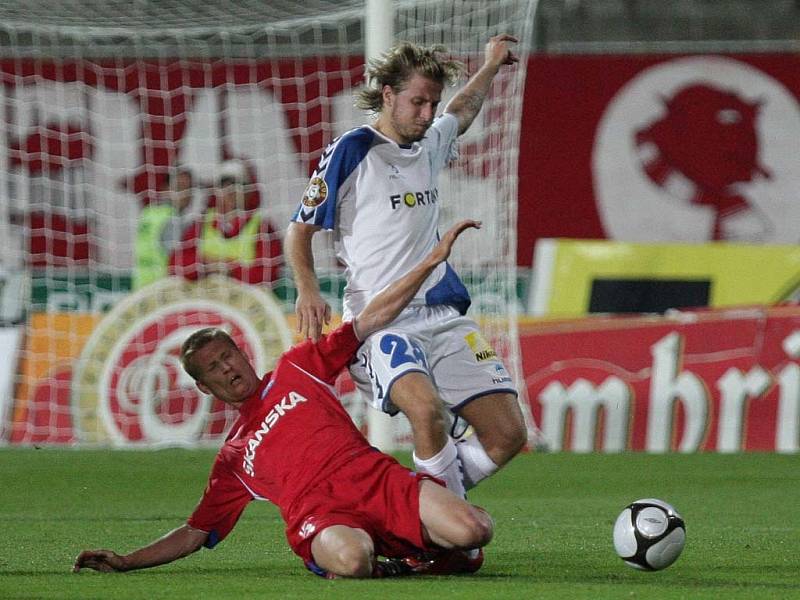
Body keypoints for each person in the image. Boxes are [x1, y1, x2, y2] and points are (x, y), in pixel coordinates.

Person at [73, 221, 493, 579]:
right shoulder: (233, 457)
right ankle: (400, 563)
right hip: (323, 516)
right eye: (214, 369)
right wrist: (128, 561)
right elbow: (195, 532)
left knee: (475, 531)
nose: (227, 369)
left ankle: (415, 555)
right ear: (204, 387)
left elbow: (369, 320)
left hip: (374, 480)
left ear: (242, 352)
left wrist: (429, 262)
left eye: (227, 356)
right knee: (353, 557)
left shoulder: (299, 367)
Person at [285, 35, 527, 500]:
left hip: (442, 315)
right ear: (389, 95)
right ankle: (432, 529)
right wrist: (308, 289)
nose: (426, 114)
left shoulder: (430, 143)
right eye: (417, 102)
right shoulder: (353, 150)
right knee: (426, 410)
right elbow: (299, 229)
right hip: (381, 322)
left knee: (507, 435)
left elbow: (463, 109)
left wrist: (493, 64)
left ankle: (422, 510)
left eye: (431, 103)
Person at [171, 159, 283, 286]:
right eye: (224, 185)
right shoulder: (201, 224)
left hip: (245, 302)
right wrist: (206, 264)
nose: (230, 191)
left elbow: (266, 275)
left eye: (237, 185)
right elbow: (175, 266)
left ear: (248, 191)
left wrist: (229, 269)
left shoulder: (263, 228)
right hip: (206, 300)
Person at [133, 165, 198, 289]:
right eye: (179, 188)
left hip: (140, 286)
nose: (185, 194)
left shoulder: (149, 213)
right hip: (163, 290)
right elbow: (178, 259)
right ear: (165, 189)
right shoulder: (174, 219)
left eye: (189, 189)